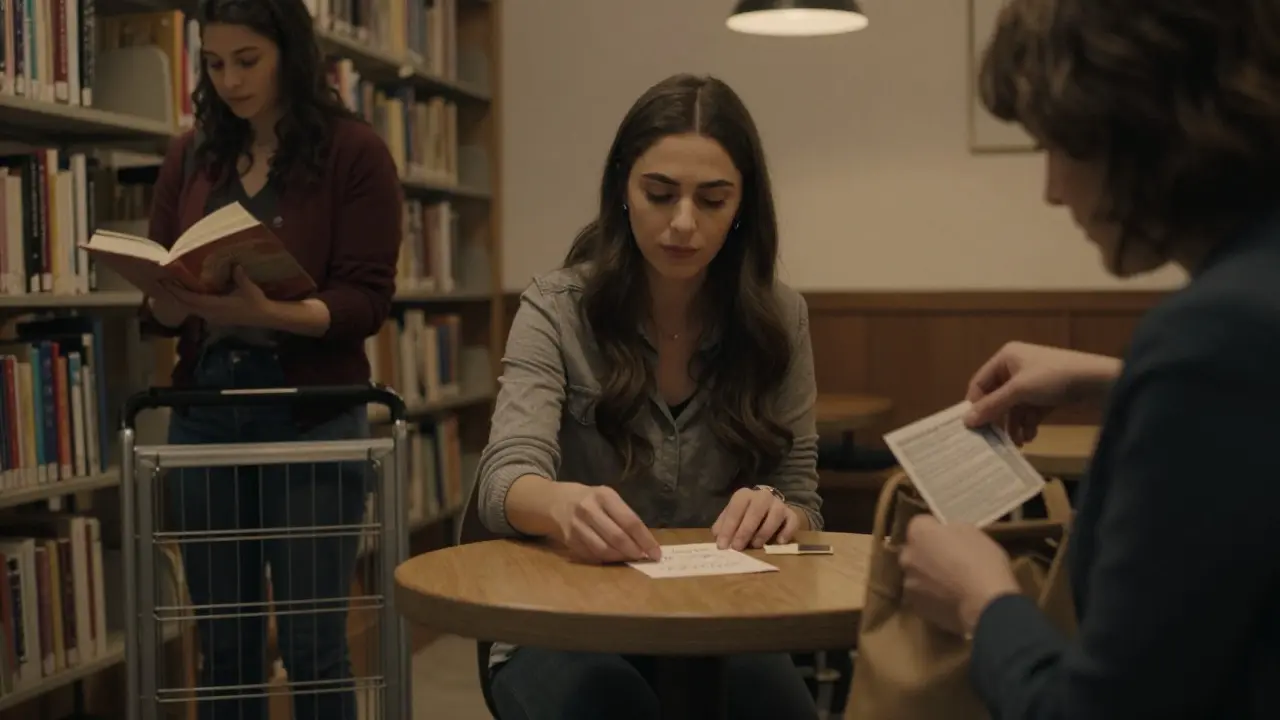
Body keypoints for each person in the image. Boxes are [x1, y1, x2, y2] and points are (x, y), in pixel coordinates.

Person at [896, 0, 1280, 717]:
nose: (1051, 190)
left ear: (1139, 130)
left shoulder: (1213, 337)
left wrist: (982, 600)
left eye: (1058, 147)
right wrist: (1117, 382)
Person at [473, 73, 823, 720]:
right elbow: (503, 482)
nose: (683, 223)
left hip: (717, 618)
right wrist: (562, 505)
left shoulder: (779, 318)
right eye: (659, 194)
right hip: (563, 616)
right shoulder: (556, 308)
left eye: (712, 200)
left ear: (743, 206)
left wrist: (778, 512)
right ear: (622, 191)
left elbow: (802, 498)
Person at [138, 1, 402, 719]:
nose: (229, 80)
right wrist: (170, 296)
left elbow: (365, 302)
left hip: (311, 415)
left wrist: (266, 315)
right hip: (204, 411)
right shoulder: (190, 155)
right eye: (214, 63)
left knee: (314, 646)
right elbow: (160, 300)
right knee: (224, 647)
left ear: (290, 53)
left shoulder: (354, 151)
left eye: (247, 61)